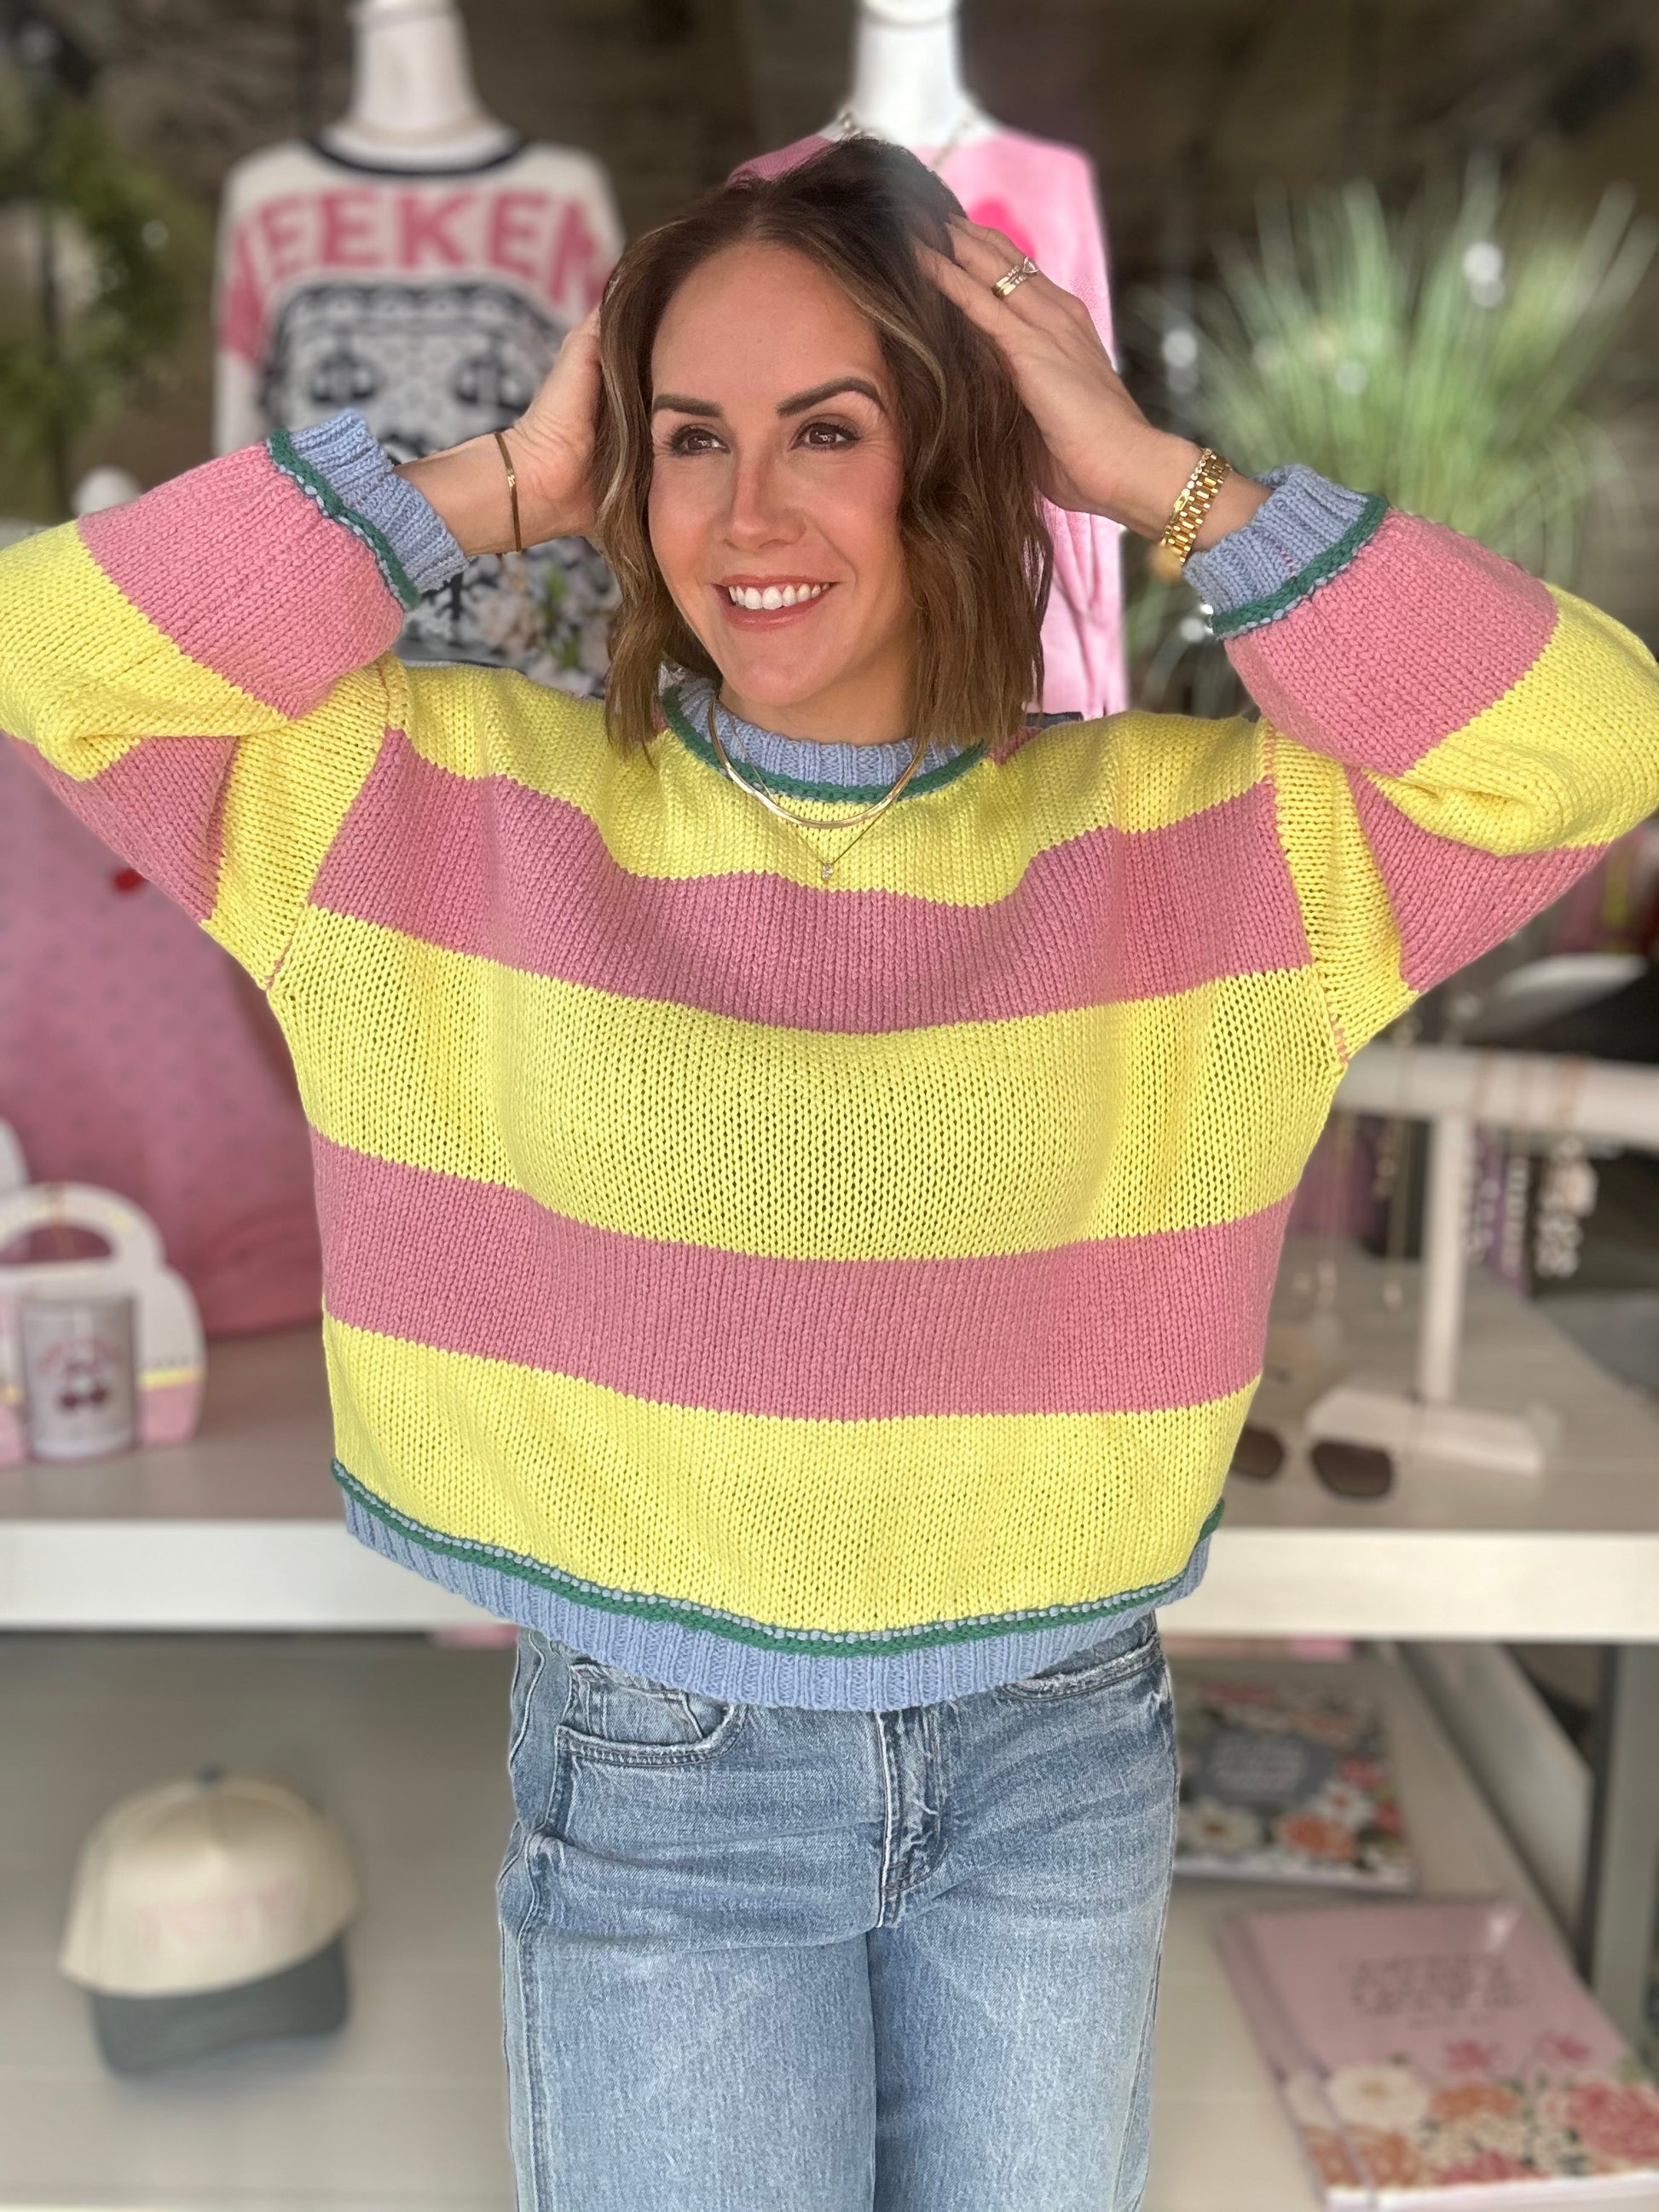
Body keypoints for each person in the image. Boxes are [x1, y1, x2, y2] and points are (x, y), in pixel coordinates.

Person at [4, 138, 1656, 2210]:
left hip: (1059, 1739)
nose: (745, 514)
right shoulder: (442, 799)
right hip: (663, 1758)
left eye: (829, 430)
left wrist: (1153, 478)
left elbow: (1590, 744)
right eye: (689, 437)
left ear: (961, 456)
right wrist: (509, 476)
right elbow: (51, 651)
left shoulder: (1213, 842)